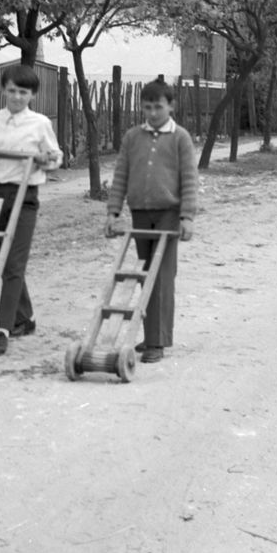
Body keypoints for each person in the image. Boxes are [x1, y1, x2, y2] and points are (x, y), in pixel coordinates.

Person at [104, 79, 198, 363]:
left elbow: (189, 180)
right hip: (140, 213)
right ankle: (151, 334)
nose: (153, 113)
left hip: (169, 214)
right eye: (147, 107)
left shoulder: (180, 138)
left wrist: (187, 216)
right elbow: (121, 175)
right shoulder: (133, 137)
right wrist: (113, 212)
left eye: (158, 107)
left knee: (162, 276)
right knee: (145, 274)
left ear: (171, 107)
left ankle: (158, 341)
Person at [0, 64, 62, 357]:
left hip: (24, 197)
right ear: (4, 90)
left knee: (13, 265)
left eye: (23, 92)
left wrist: (45, 160)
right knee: (5, 263)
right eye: (12, 90)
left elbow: (55, 158)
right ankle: (25, 318)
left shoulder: (39, 123)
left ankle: (2, 330)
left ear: (32, 95)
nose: (16, 97)